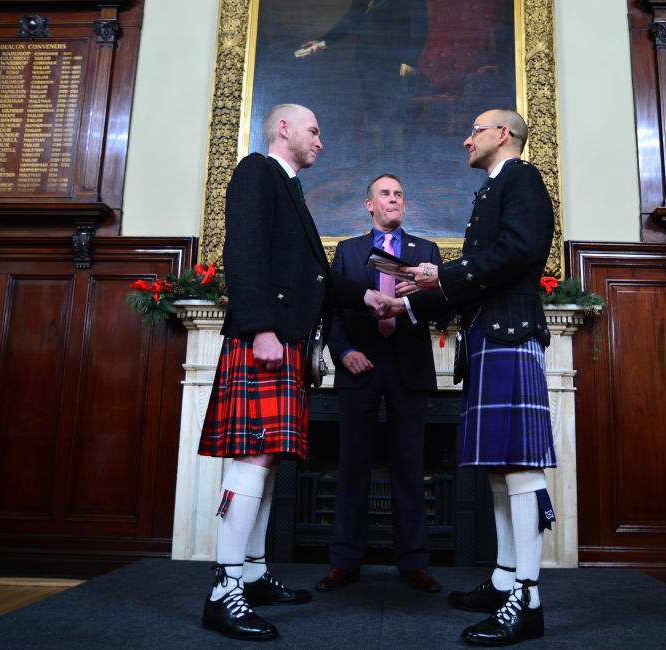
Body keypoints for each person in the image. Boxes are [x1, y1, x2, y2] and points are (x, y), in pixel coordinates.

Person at [198, 103, 384, 642]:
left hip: (286, 341)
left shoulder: (290, 190)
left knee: (269, 460)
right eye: (315, 131)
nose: (321, 142)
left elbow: (315, 277)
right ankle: (223, 590)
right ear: (284, 129)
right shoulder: (257, 171)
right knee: (252, 455)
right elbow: (245, 252)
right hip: (267, 338)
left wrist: (366, 294)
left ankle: (252, 576)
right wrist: (260, 327)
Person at [375, 109, 557, 645]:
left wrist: (442, 274)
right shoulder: (492, 190)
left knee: (520, 467)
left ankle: (528, 598)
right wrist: (425, 290)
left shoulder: (522, 178)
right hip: (489, 331)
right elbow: (487, 268)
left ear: (503, 134)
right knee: (502, 470)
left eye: (474, 130)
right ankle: (505, 581)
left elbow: (520, 252)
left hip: (508, 332)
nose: (465, 139)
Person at [314, 174, 443, 594]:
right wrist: (343, 351)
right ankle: (344, 562)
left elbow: (442, 310)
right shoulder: (348, 252)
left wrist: (418, 295)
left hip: (408, 365)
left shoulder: (426, 253)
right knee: (352, 467)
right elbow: (331, 309)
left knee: (409, 468)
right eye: (385, 194)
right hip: (360, 365)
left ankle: (414, 564)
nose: (394, 200)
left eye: (399, 194)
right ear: (368, 204)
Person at [297, 0, 428, 170]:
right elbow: (350, 21)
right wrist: (321, 43)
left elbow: (420, 28)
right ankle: (378, 170)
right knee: (374, 114)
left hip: (396, 63)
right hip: (367, 62)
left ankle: (399, 171)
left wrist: (410, 60)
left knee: (395, 117)